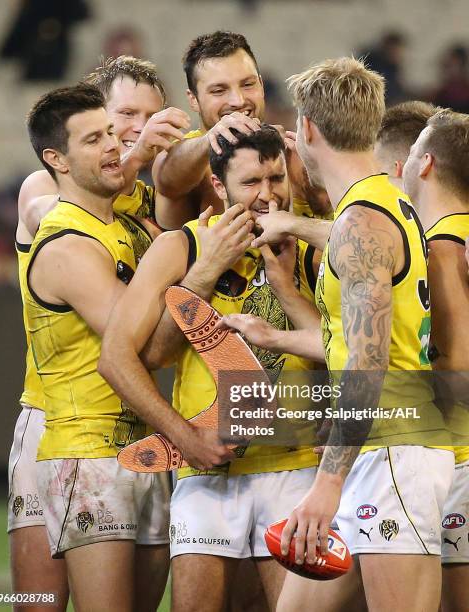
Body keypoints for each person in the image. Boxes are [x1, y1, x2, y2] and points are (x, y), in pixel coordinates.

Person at [221, 58, 453, 611]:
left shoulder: (360, 223)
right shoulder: (384, 200)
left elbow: (366, 366)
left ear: (306, 130)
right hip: (378, 449)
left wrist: (325, 484)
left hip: (391, 451)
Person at [99, 125, 321, 611]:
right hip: (207, 470)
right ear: (218, 187)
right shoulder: (182, 247)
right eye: (251, 183)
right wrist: (185, 437)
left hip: (296, 469)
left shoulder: (306, 245)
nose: (268, 195)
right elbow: (130, 358)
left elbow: (343, 355)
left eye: (276, 177)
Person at [9, 56, 189, 608]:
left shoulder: (140, 206)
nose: (134, 130)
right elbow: (51, 213)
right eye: (123, 116)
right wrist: (131, 159)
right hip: (56, 424)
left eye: (149, 117)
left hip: (136, 424)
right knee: (38, 603)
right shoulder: (50, 187)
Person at [402, 108, 469, 612]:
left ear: (424, 164)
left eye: (408, 152)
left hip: (459, 454)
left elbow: (456, 359)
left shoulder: (441, 245)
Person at [152, 30, 318, 230]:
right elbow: (168, 179)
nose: (238, 101)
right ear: (193, 100)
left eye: (248, 84)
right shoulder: (187, 162)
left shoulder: (294, 151)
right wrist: (211, 139)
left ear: (262, 85)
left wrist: (309, 175)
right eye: (219, 91)